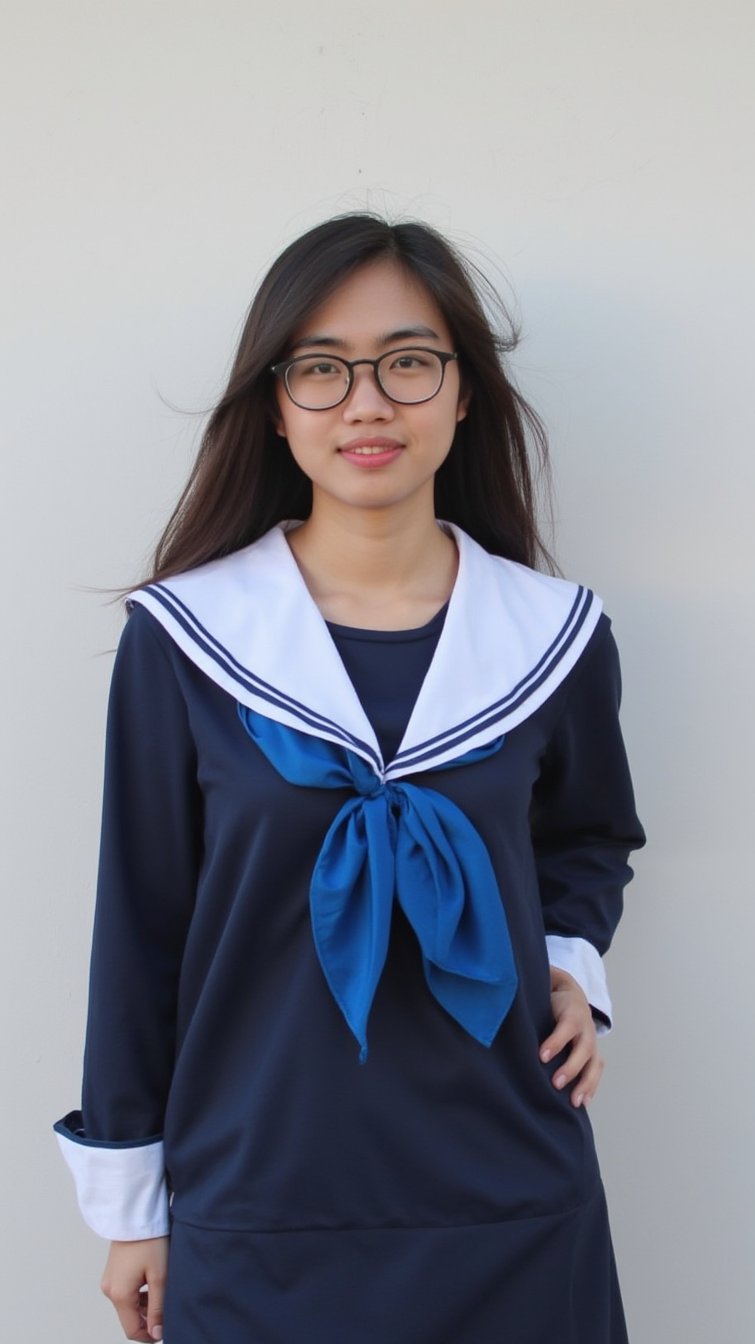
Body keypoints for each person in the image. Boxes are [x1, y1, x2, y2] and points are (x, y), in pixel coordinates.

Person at [55, 213, 645, 1343]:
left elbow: (587, 836)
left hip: (512, 1196)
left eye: (407, 363)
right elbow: (138, 930)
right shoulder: (187, 638)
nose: (367, 402)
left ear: (462, 392)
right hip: (259, 1201)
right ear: (275, 402)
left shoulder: (553, 636)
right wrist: (133, 1206)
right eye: (321, 369)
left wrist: (571, 961)